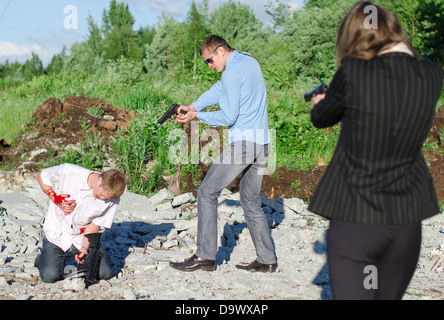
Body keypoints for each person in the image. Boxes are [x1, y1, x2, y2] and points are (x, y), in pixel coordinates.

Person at [308, 1, 443, 300]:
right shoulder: (432, 73)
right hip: (407, 221)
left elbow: (322, 118)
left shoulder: (352, 70)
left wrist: (322, 100)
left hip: (357, 217)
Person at [169, 34, 277, 272]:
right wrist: (195, 105)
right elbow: (220, 89)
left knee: (207, 191)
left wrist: (197, 116)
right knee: (250, 200)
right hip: (263, 143)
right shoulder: (249, 61)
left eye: (209, 60)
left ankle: (205, 256)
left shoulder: (230, 72)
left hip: (244, 145)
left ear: (219, 51)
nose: (209, 66)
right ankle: (267, 260)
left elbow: (228, 116)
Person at [36, 163, 126, 283]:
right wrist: (55, 198)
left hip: (80, 236)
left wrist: (84, 247)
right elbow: (41, 176)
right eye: (101, 195)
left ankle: (77, 260)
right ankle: (42, 259)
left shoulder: (111, 199)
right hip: (57, 233)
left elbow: (94, 224)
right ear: (99, 180)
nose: (103, 199)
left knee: (105, 273)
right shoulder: (70, 172)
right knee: (49, 276)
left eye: (106, 198)